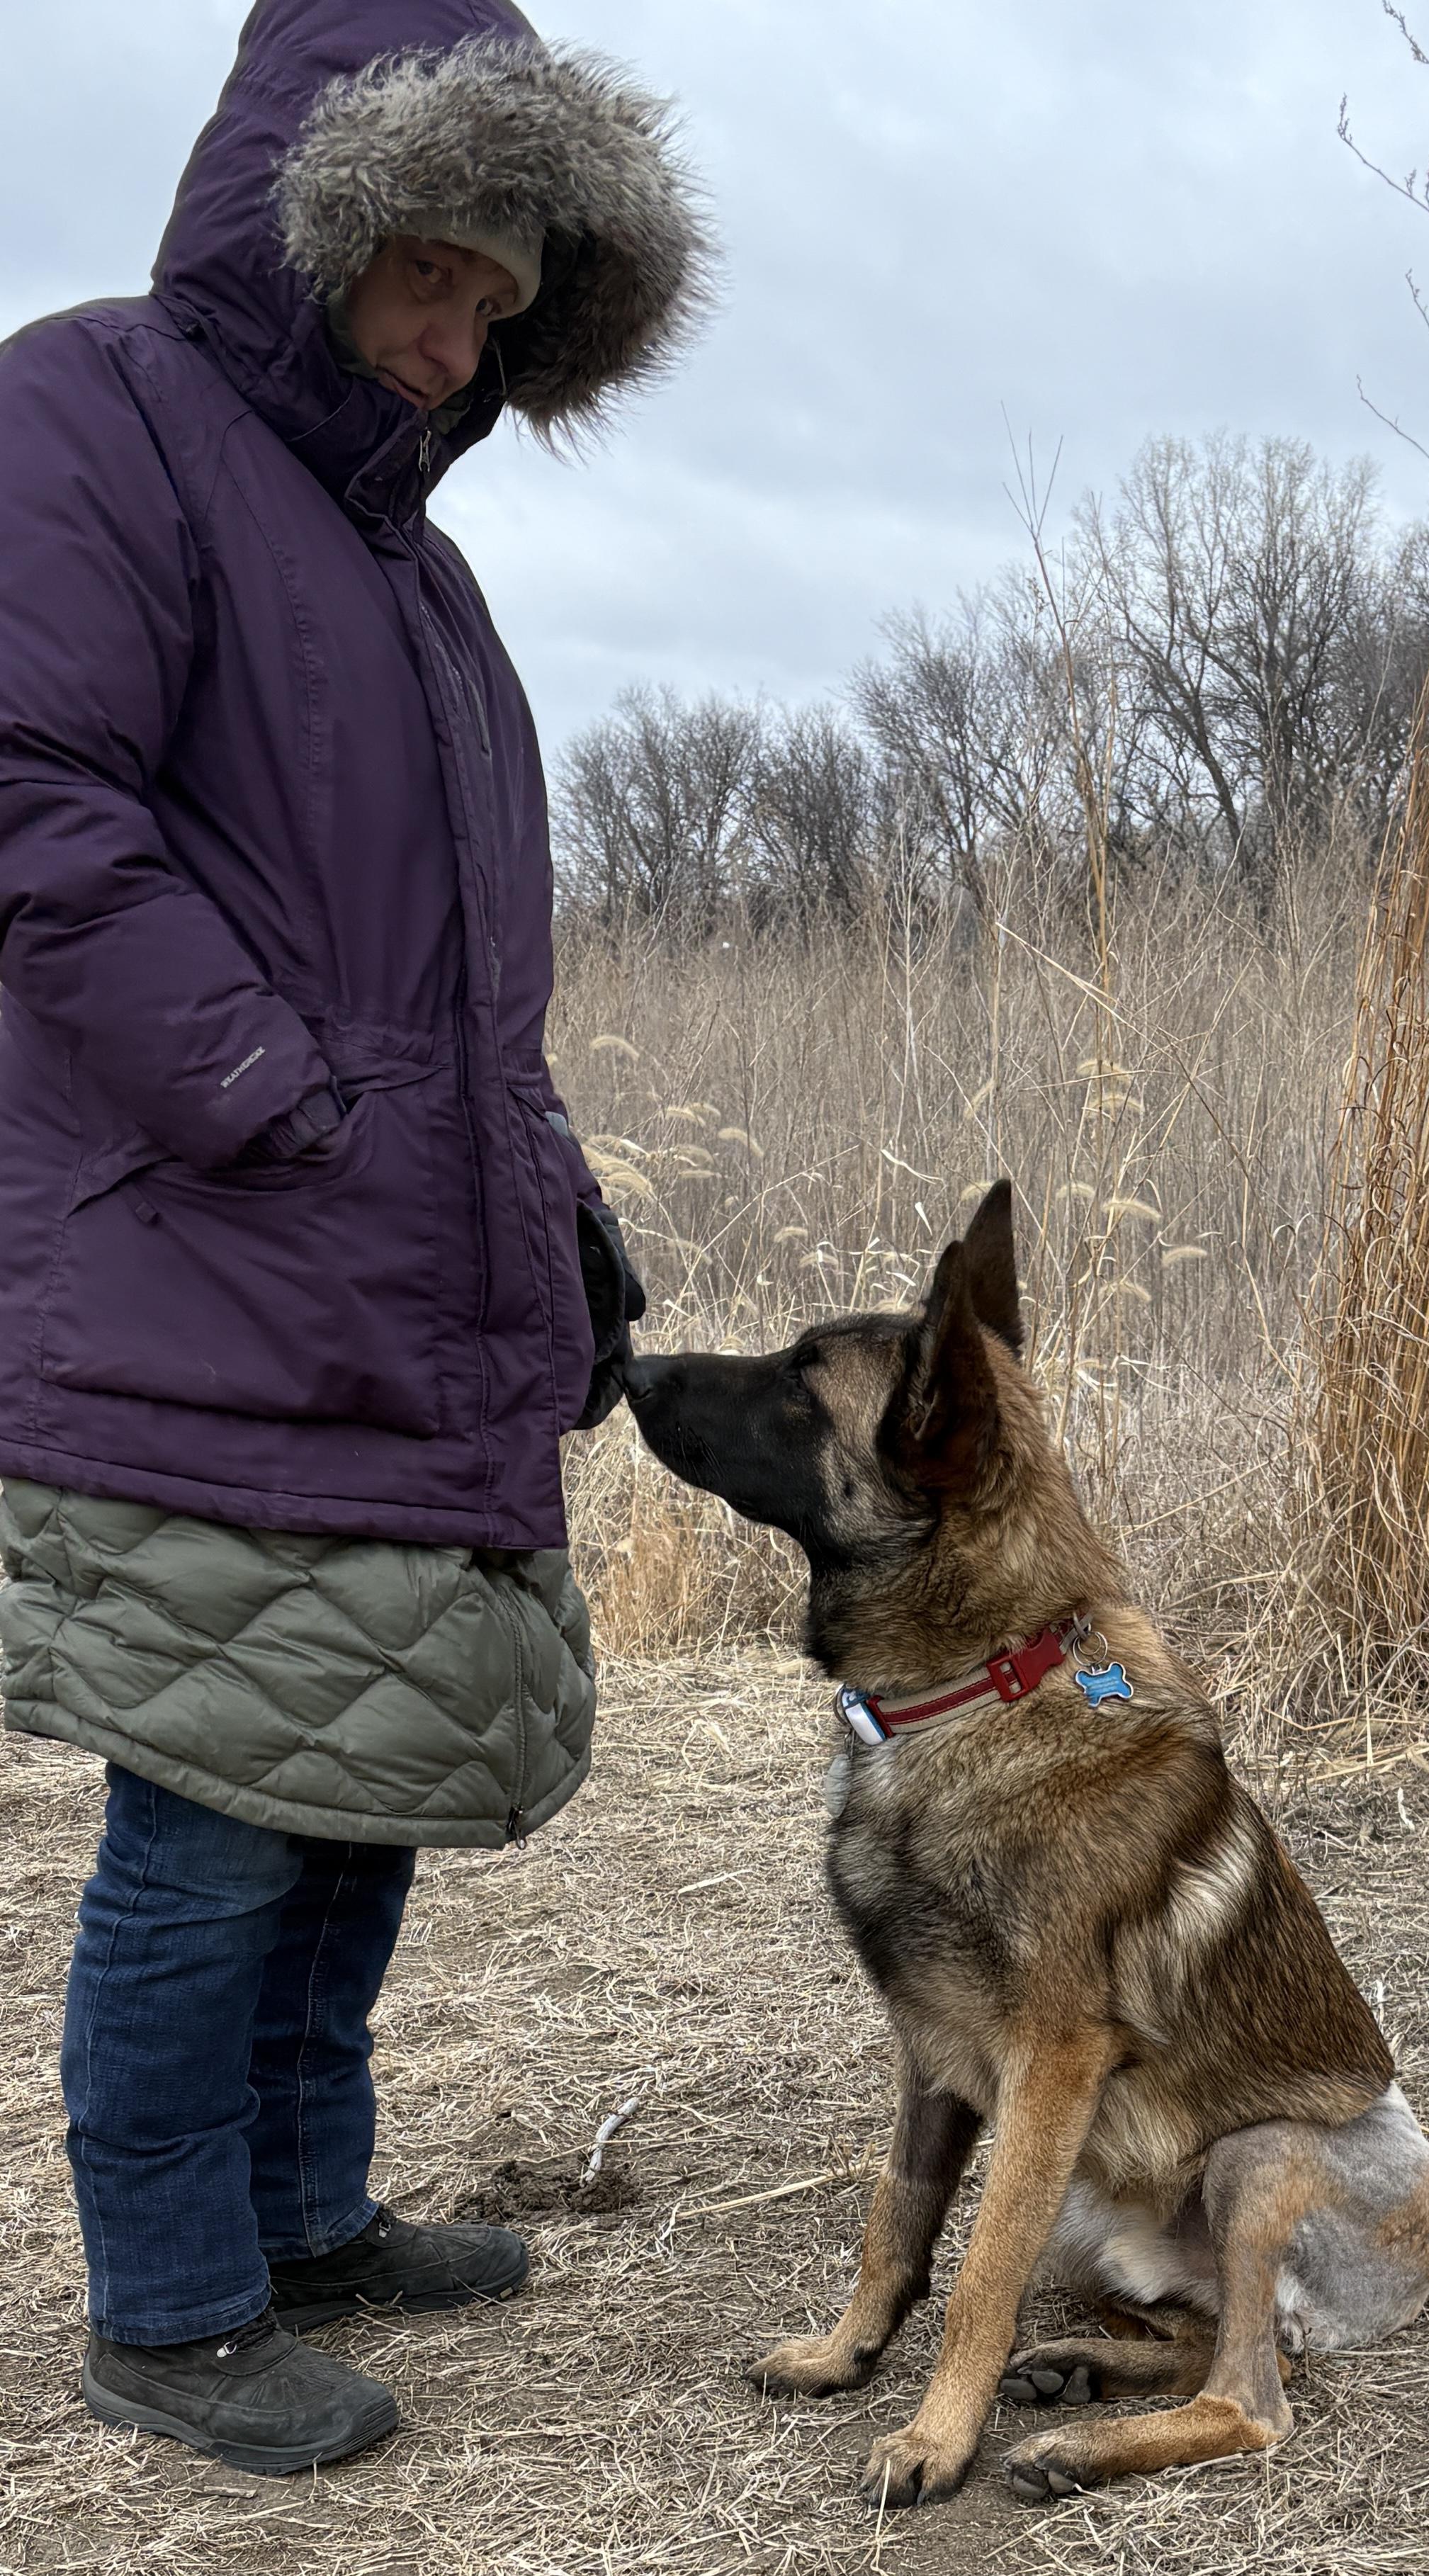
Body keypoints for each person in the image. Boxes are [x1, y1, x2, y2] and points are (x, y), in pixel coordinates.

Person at [0, 0, 710, 2477]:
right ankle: (172, 2305)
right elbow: (26, 798)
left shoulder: (415, 571)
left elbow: (461, 998)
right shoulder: (88, 412)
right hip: (203, 1264)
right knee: (216, 1790)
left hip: (379, 1276)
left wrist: (565, 1210)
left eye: (504, 307)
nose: (461, 340)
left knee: (349, 1765)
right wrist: (266, 1095)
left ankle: (302, 2212)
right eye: (432, 277)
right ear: (317, 230)